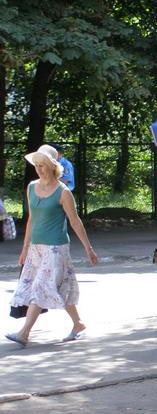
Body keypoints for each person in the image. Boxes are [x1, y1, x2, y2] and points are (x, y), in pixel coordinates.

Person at [5, 145, 97, 347]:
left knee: (41, 287)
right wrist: (25, 248)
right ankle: (78, 324)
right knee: (58, 286)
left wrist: (89, 249)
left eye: (43, 165)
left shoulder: (63, 192)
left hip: (56, 248)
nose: (39, 169)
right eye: (36, 165)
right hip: (36, 247)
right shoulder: (32, 187)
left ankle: (24, 333)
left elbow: (75, 222)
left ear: (53, 166)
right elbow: (31, 220)